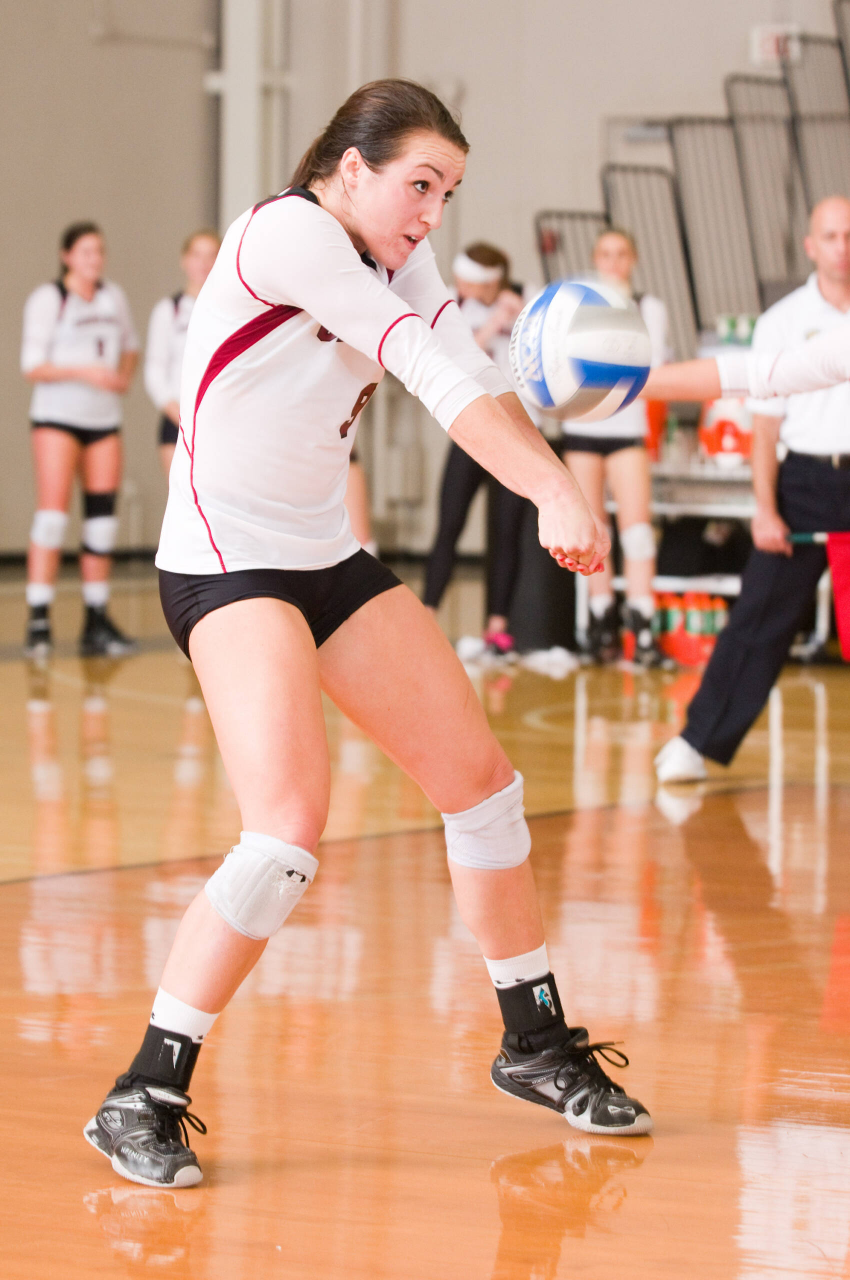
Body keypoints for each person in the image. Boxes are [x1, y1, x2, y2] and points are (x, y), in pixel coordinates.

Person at [83, 79, 650, 1190]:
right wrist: (552, 490)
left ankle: (534, 1041)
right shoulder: (288, 234)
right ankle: (142, 1090)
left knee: (483, 788)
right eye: (419, 185)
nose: (432, 213)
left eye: (448, 193)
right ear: (351, 168)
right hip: (226, 560)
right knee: (286, 829)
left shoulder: (401, 255)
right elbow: (426, 370)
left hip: (322, 553)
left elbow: (473, 371)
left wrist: (556, 479)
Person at [646, 197, 850, 782]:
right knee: (760, 615)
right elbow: (750, 386)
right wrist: (636, 384)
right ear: (811, 246)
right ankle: (697, 740)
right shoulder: (787, 322)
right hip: (806, 480)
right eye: (831, 236)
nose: (842, 247)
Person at [20, 222, 140, 658]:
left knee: (102, 522)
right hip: (57, 418)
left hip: (103, 420)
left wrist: (122, 375)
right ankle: (38, 617)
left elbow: (131, 345)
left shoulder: (112, 297)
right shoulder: (49, 299)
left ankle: (96, 618)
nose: (95, 259)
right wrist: (85, 372)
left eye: (99, 251)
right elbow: (32, 365)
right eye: (86, 251)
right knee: (52, 518)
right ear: (67, 255)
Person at [561, 228, 672, 666]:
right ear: (595, 258)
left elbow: (653, 367)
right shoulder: (576, 307)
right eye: (605, 254)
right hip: (583, 428)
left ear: (633, 259)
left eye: (621, 253)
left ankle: (642, 625)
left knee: (637, 531)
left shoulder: (648, 307)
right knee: (589, 531)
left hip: (627, 430)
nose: (613, 261)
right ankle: (601, 620)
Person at [422, 243, 529, 654]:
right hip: (471, 430)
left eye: (468, 280)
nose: (461, 284)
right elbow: (453, 355)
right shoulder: (453, 304)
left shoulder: (525, 298)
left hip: (516, 435)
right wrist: (493, 323)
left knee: (506, 532)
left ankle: (497, 628)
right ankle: (427, 615)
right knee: (449, 524)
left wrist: (516, 315)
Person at [144, 230, 221, 477]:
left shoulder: (231, 310)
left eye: (211, 255)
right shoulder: (169, 310)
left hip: (221, 419)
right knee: (182, 494)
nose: (204, 263)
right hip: (179, 420)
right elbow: (155, 370)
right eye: (197, 255)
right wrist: (179, 413)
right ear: (184, 260)